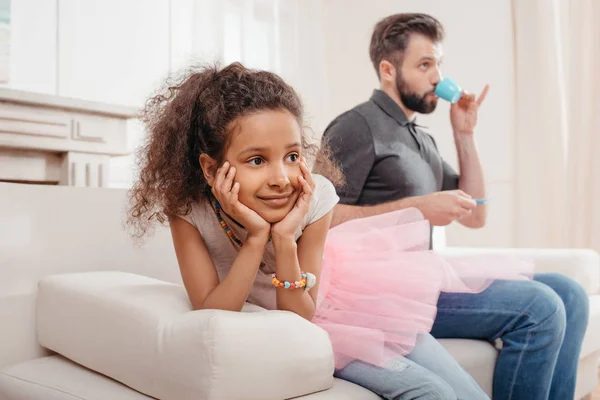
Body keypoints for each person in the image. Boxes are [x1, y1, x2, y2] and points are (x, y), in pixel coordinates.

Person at [124, 62, 529, 399]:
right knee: (429, 392)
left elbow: (304, 306)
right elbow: (215, 312)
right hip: (310, 326)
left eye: (292, 155)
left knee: (467, 393)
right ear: (212, 169)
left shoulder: (314, 196)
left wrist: (285, 238)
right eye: (256, 161)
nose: (281, 178)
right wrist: (257, 237)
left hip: (338, 299)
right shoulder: (189, 212)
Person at [319, 13, 589, 400]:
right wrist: (417, 209)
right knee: (540, 307)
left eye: (439, 64)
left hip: (423, 277)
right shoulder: (355, 127)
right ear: (387, 70)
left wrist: (464, 133)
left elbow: (476, 214)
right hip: (382, 293)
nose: (437, 77)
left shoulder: (418, 138)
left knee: (570, 293)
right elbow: (319, 218)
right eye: (424, 64)